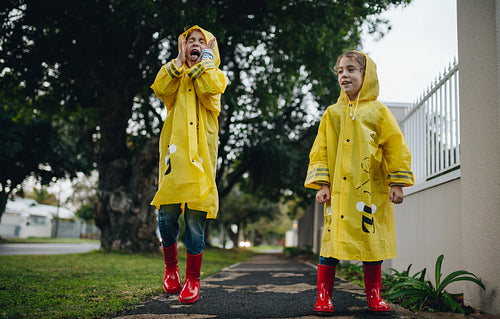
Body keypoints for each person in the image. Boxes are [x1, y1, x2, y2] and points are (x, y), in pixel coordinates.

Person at [304, 51, 414, 314]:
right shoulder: (332, 113)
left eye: (351, 69)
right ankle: (323, 296)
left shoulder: (378, 112)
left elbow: (394, 146)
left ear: (367, 75)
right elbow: (321, 150)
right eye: (340, 70)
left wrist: (396, 182)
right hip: (339, 193)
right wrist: (323, 184)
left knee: (371, 242)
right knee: (331, 243)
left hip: (369, 191)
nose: (344, 75)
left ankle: (374, 296)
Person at [150, 25, 227, 304]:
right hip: (174, 158)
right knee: (167, 217)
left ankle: (193, 280)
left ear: (210, 49)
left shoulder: (215, 76)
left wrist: (205, 61)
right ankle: (171, 269)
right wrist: (178, 62)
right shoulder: (176, 75)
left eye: (202, 42)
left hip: (201, 161)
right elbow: (160, 87)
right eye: (190, 41)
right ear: (182, 47)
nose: (195, 44)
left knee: (196, 222)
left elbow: (210, 90)